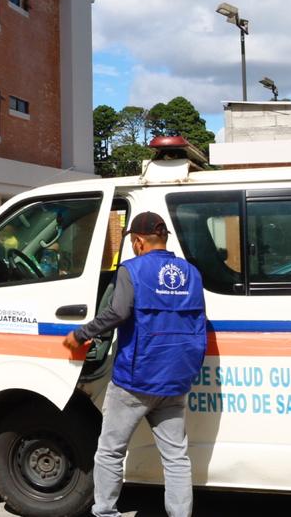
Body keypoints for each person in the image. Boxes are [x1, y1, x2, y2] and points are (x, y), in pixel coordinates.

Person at [62, 211, 206, 517]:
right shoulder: (192, 273)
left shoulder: (132, 270)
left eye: (132, 242)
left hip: (135, 380)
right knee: (176, 457)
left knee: (111, 452)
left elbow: (116, 313)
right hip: (176, 379)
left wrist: (80, 334)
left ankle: (105, 513)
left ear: (138, 241)